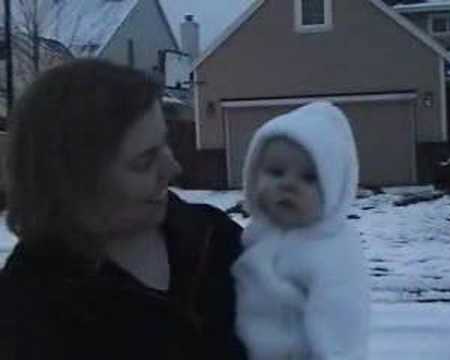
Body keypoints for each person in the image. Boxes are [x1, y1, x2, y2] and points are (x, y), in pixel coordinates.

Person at [0, 59, 246, 360]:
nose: (173, 168)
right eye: (144, 161)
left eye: (165, 144)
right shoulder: (29, 308)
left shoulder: (214, 237)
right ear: (74, 182)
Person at [231, 102, 370, 359]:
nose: (288, 184)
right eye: (276, 172)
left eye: (308, 178)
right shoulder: (256, 235)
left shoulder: (332, 251)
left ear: (334, 189)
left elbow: (343, 323)